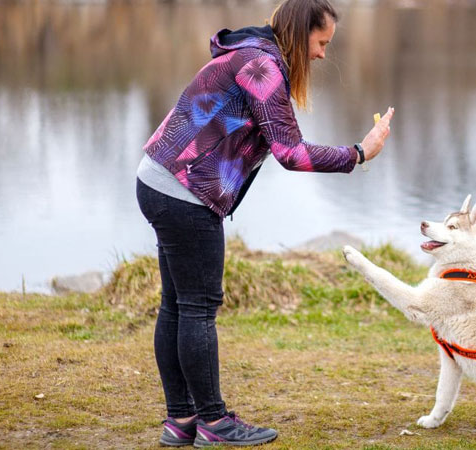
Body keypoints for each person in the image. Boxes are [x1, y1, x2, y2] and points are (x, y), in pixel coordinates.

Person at [135, 0, 394, 446]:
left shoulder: (249, 52)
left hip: (157, 180)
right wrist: (359, 153)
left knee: (177, 306)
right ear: (299, 34)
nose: (321, 55)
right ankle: (214, 424)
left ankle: (181, 421)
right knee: (196, 308)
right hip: (184, 193)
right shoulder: (262, 67)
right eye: (320, 42)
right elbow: (290, 153)